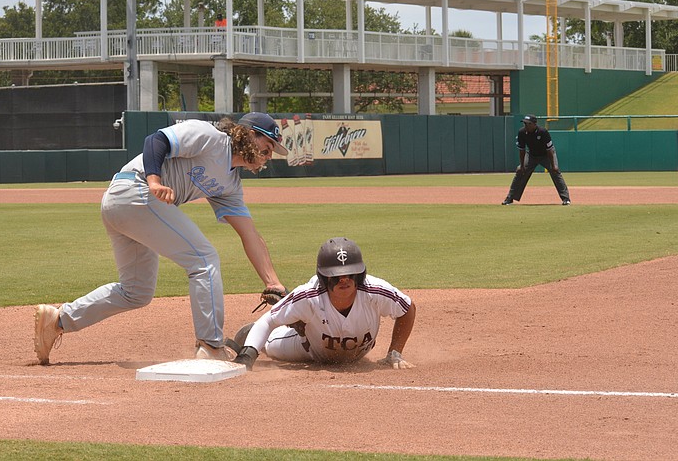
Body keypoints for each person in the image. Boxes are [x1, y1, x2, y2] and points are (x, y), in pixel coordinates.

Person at [34, 112, 289, 365]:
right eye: (267, 148)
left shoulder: (230, 184)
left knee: (136, 292)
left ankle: (57, 320)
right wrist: (154, 181)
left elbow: (249, 234)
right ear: (249, 134)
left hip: (129, 205)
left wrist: (273, 283)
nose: (267, 158)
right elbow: (156, 141)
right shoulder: (210, 137)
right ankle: (211, 347)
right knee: (203, 258)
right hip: (135, 190)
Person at [231, 237, 416, 370]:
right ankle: (252, 332)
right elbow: (268, 320)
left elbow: (407, 308)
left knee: (296, 308)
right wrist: (247, 355)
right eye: (336, 275)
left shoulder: (374, 291)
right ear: (324, 277)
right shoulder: (309, 296)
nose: (344, 280)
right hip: (309, 349)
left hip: (353, 353)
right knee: (271, 344)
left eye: (350, 273)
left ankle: (294, 314)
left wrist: (395, 352)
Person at [502, 114, 571, 206]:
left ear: (534, 124)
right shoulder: (522, 132)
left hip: (546, 155)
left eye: (528, 124)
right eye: (524, 123)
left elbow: (549, 150)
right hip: (531, 155)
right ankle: (510, 198)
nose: (525, 125)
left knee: (555, 172)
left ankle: (566, 199)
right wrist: (522, 166)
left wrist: (554, 166)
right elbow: (522, 150)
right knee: (520, 171)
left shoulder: (543, 132)